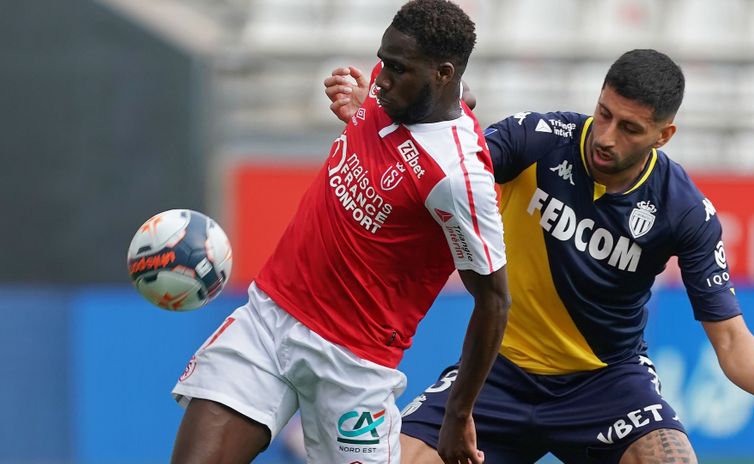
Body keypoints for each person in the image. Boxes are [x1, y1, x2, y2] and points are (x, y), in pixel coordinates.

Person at [326, 49, 754, 463]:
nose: (607, 136)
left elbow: (729, 335)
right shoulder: (538, 137)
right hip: (498, 371)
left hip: (605, 383)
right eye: (604, 112)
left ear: (664, 135)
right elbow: (446, 163)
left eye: (630, 128)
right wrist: (385, 115)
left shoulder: (684, 210)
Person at [170, 1, 510, 463]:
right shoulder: (394, 89)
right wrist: (361, 108)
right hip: (269, 320)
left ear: (443, 73)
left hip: (352, 367)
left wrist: (458, 411)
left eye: (398, 70)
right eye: (383, 61)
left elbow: (493, 299)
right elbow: (452, 98)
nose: (382, 78)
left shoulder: (459, 178)